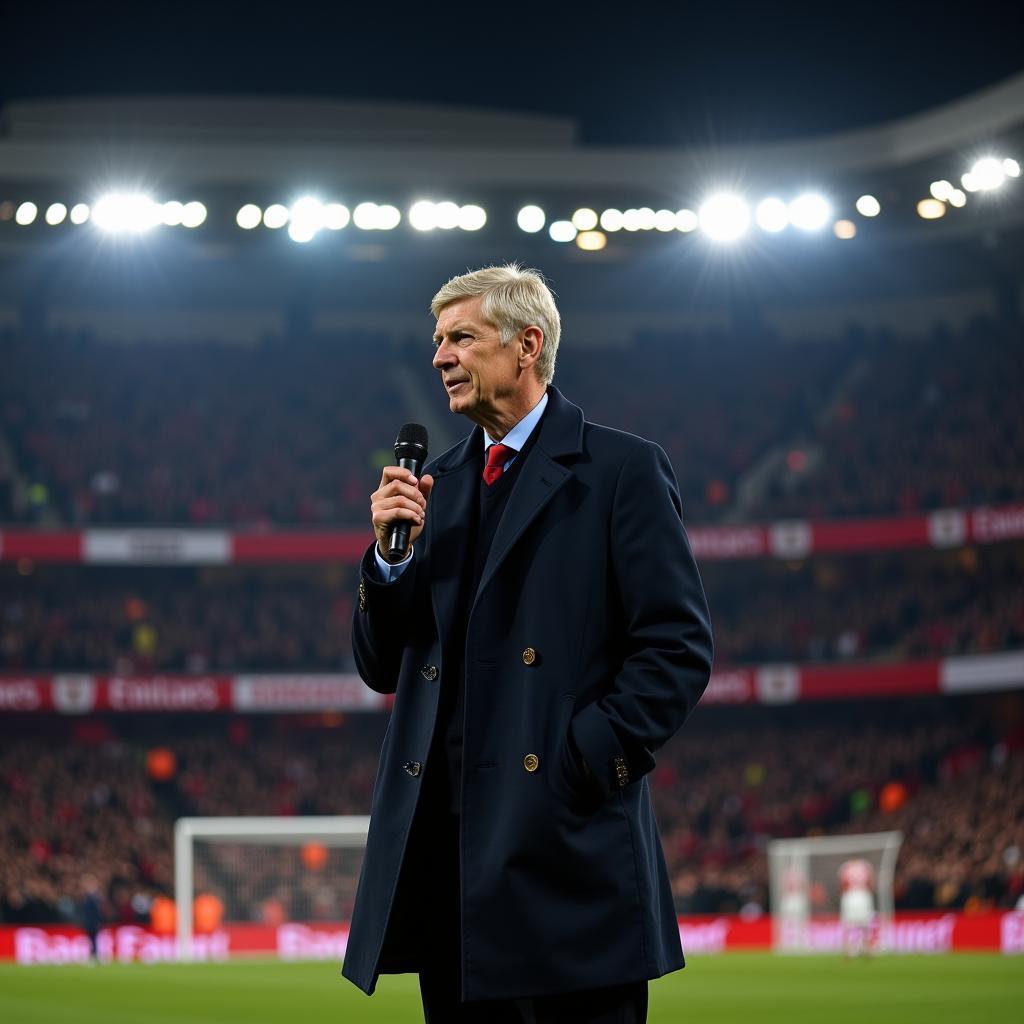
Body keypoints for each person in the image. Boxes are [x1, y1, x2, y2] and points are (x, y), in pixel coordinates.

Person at [342, 264, 714, 1022]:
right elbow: (381, 667)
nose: (440, 356)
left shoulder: (619, 470)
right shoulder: (434, 488)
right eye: (437, 340)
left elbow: (676, 646)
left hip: (563, 854)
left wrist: (583, 762)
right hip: (447, 864)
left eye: (461, 338)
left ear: (527, 345)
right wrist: (388, 558)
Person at [838, 857, 877, 958]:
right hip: (863, 895)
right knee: (865, 923)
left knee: (848, 923)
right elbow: (870, 883)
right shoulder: (866, 866)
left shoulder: (845, 867)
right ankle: (867, 948)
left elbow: (843, 884)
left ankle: (848, 949)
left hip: (849, 895)